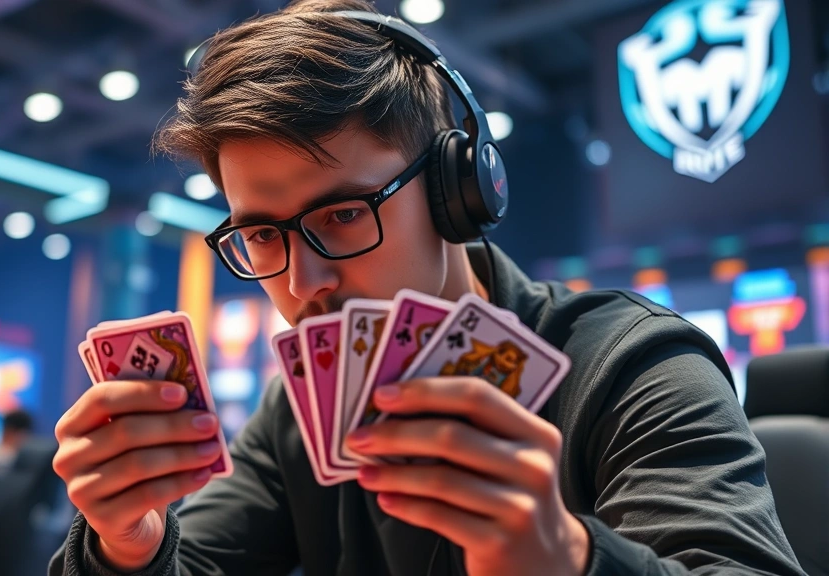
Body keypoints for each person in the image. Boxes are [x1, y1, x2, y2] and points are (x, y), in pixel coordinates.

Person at [49, 1, 804, 575]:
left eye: (344, 214)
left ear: (456, 192)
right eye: (262, 235)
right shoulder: (295, 415)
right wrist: (128, 545)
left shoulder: (637, 366)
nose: (302, 283)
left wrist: (573, 559)